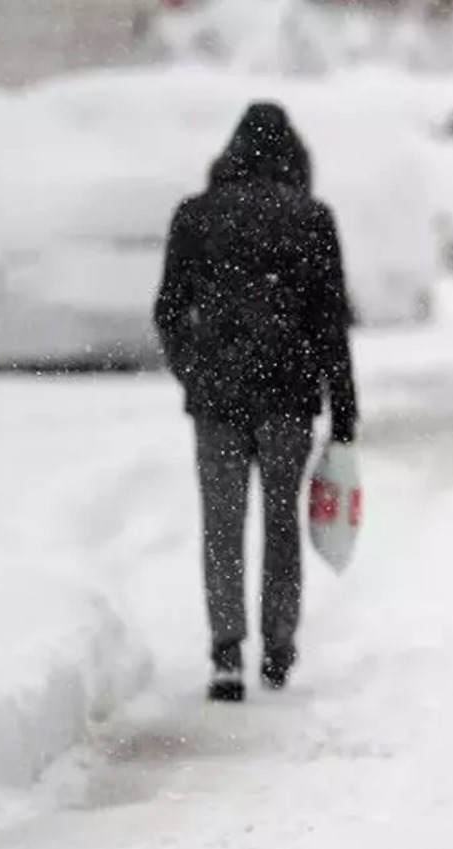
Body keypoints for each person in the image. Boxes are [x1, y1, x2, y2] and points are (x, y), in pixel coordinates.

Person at [153, 102, 358, 703]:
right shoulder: (312, 218)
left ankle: (225, 653)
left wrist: (192, 370)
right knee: (280, 521)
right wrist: (342, 403)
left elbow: (168, 309)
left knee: (222, 522)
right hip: (288, 395)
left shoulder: (195, 216)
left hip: (216, 397)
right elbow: (330, 322)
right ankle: (277, 646)